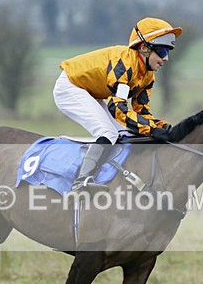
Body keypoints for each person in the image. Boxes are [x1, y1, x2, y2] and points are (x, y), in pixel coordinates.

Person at [53, 17, 182, 191]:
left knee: (126, 133)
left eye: (169, 51)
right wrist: (151, 129)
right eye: (162, 51)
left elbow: (142, 111)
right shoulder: (124, 64)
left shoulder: (148, 75)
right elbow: (117, 109)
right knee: (108, 132)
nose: (166, 58)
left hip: (93, 92)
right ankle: (81, 182)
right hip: (70, 87)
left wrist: (160, 127)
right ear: (144, 48)